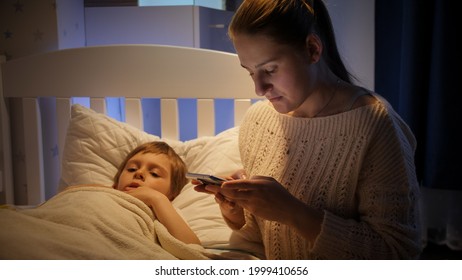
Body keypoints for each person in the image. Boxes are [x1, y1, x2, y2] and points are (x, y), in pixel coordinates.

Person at [194, 0, 422, 259]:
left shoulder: (376, 126)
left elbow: (398, 254)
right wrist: (238, 211)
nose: (259, 89)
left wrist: (293, 212)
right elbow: (267, 239)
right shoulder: (258, 121)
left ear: (312, 49)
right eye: (250, 72)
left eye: (270, 69)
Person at [112, 141, 200, 245]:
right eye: (132, 169)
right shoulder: (106, 193)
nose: (139, 173)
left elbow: (193, 248)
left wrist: (157, 199)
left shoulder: (165, 211)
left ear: (172, 194)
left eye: (154, 174)